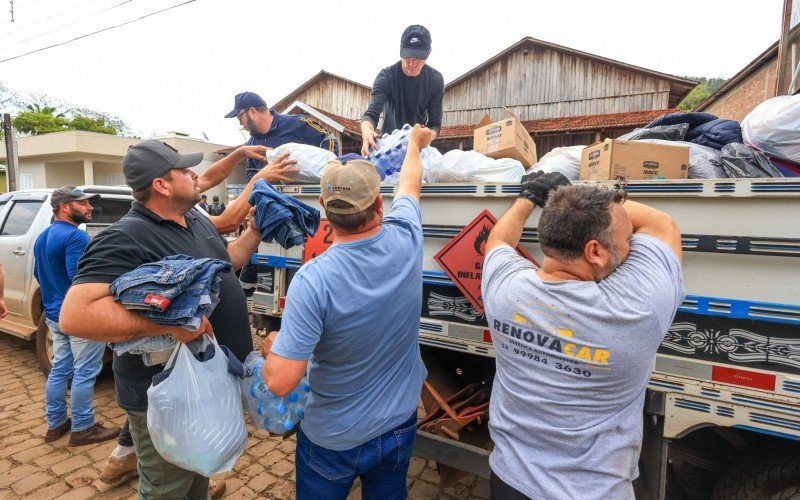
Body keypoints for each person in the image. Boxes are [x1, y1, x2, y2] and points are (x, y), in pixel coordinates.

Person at [60, 139, 263, 500]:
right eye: (186, 171)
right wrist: (170, 325)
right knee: (166, 489)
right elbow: (77, 315)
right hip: (165, 395)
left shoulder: (194, 219)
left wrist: (256, 232)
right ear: (162, 184)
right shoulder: (125, 236)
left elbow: (226, 261)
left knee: (198, 475)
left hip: (204, 383)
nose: (195, 175)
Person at [481, 174, 685, 499]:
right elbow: (663, 226)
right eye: (626, 238)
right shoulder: (635, 312)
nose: (629, 245)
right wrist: (588, 198)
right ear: (595, 251)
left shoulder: (504, 290)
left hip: (510, 480)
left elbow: (498, 242)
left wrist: (532, 198)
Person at [261, 125, 436, 499]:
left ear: (324, 209)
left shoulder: (313, 280)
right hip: (398, 423)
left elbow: (278, 382)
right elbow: (410, 181)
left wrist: (273, 346)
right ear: (378, 205)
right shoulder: (407, 237)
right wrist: (416, 144)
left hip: (334, 439)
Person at [34, 186, 121, 447]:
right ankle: (83, 427)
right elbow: (80, 279)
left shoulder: (43, 236)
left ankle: (56, 423)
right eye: (83, 203)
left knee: (61, 368)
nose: (90, 208)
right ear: (64, 206)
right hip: (79, 316)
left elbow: (39, 274)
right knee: (85, 371)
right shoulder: (76, 237)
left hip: (54, 314)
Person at [360, 25, 444, 156]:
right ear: (401, 50)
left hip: (418, 150)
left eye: (418, 57)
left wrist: (428, 135)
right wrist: (367, 132)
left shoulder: (435, 80)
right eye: (408, 56)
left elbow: (435, 124)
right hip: (389, 148)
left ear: (429, 52)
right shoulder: (386, 77)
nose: (412, 63)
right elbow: (371, 114)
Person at [225, 91, 339, 180]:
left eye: (240, 117)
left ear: (253, 112)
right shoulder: (252, 144)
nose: (240, 123)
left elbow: (328, 138)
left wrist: (329, 170)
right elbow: (252, 173)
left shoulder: (297, 123)